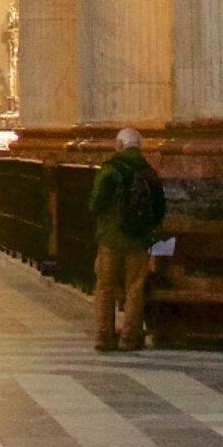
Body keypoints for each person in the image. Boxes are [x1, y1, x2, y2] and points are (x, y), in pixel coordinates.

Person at [87, 126, 167, 352]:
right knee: (135, 287)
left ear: (119, 145)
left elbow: (95, 203)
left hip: (111, 237)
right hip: (139, 239)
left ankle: (104, 336)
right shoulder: (149, 171)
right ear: (139, 147)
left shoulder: (110, 169)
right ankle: (129, 337)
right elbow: (160, 206)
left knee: (105, 286)